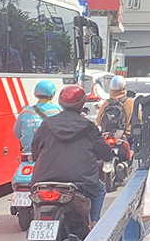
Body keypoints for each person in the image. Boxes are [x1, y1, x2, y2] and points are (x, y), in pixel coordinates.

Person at [31, 84, 110, 225]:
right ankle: (93, 223)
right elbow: (104, 152)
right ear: (81, 104)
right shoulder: (89, 127)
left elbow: (35, 149)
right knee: (100, 190)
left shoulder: (47, 124)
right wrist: (108, 155)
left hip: (44, 178)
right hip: (81, 181)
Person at [13, 80, 62, 156]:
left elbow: (17, 134)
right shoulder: (59, 110)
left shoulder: (25, 112)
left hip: (28, 157)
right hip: (50, 156)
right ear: (52, 95)